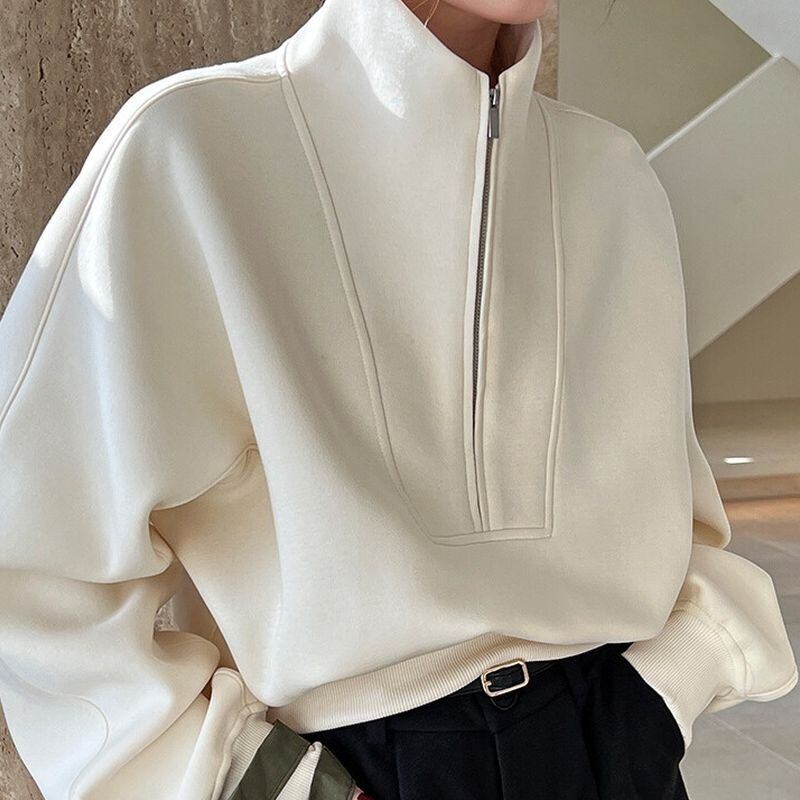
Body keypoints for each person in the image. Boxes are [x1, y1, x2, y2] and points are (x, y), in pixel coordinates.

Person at [0, 0, 796, 798]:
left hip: (610, 740)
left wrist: (666, 691)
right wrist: (269, 786)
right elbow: (31, 560)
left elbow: (676, 515)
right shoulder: (190, 151)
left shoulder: (611, 176)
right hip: (353, 765)